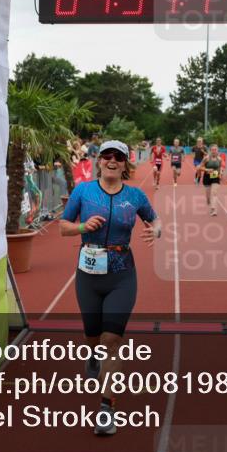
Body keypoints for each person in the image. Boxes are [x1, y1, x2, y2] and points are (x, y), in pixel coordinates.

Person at [59, 140, 161, 436]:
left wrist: (156, 231)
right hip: (88, 274)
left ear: (126, 163)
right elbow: (63, 226)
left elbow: (156, 221)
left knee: (111, 340)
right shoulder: (83, 191)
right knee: (93, 337)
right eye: (107, 156)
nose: (112, 161)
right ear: (99, 161)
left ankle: (106, 408)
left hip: (122, 274)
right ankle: (93, 356)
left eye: (118, 157)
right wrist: (81, 227)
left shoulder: (136, 195)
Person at [197, 144, 223, 216]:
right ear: (210, 151)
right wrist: (207, 169)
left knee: (214, 193)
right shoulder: (206, 158)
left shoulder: (219, 159)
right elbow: (199, 167)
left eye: (215, 150)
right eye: (212, 150)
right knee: (208, 196)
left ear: (217, 151)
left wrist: (220, 172)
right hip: (207, 177)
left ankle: (213, 209)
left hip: (215, 176)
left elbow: (220, 167)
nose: (214, 151)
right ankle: (208, 200)